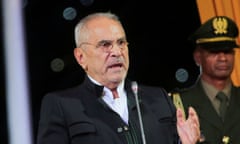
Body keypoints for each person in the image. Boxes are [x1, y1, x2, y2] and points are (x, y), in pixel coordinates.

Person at [37, 11, 200, 144]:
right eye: (105, 45)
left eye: (121, 43)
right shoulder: (60, 104)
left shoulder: (158, 97)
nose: (117, 52)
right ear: (81, 57)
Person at [179, 16, 240, 144]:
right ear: (198, 57)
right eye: (214, 51)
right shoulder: (179, 104)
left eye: (227, 51)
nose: (223, 58)